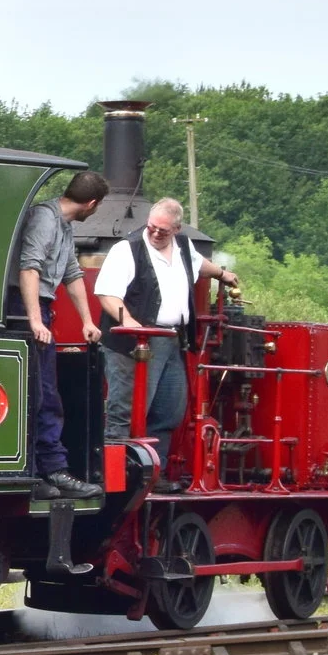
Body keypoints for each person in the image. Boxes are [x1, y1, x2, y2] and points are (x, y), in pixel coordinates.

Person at [95, 197, 239, 460]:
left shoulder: (183, 246)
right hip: (133, 344)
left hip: (172, 340)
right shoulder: (127, 249)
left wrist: (221, 274)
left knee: (169, 409)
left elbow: (198, 264)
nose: (156, 233)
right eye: (152, 227)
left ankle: (153, 473)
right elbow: (107, 294)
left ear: (177, 229)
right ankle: (117, 477)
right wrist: (127, 320)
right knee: (127, 411)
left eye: (163, 230)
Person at [7, 170, 108, 500]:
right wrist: (35, 320)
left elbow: (72, 274)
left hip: (41, 307)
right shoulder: (45, 219)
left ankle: (46, 471)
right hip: (24, 309)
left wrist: (87, 321)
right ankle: (47, 469)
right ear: (91, 204)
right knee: (40, 395)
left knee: (46, 395)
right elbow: (28, 267)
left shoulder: (63, 226)